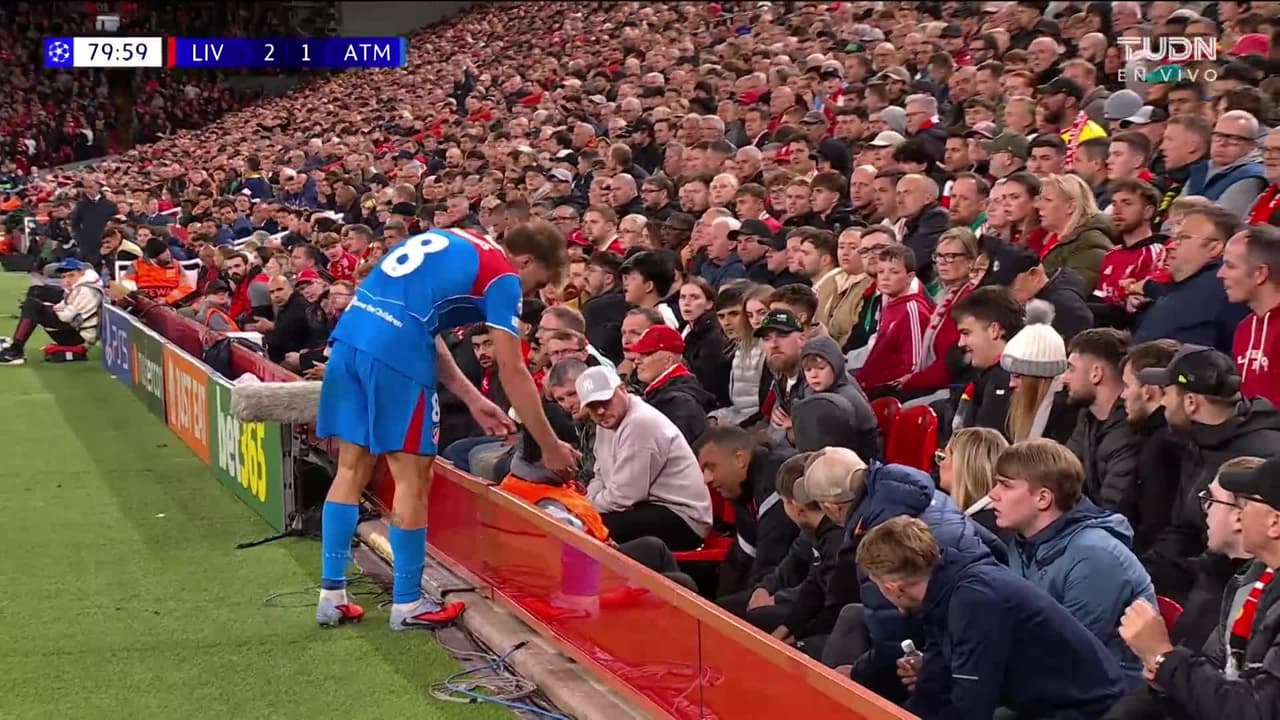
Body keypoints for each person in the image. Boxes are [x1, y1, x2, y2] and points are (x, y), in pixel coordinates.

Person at [314, 223, 578, 631]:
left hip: (350, 340)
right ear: (526, 261)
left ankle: (331, 596)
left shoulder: (460, 238)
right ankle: (408, 603)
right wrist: (550, 445)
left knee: (350, 469)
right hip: (397, 356)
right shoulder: (503, 276)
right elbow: (512, 369)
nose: (528, 295)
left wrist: (472, 398)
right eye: (537, 284)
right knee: (413, 478)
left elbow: (426, 326)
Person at [857, 516, 1127, 720]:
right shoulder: (944, 592)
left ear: (892, 587)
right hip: (1048, 703)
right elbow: (934, 687)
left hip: (1086, 709)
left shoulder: (973, 601)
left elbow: (970, 708)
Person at [1113, 456, 1280, 720]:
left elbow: (1257, 710)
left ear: (1274, 523)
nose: (1242, 513)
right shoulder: (1252, 581)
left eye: (1248, 504)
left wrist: (1163, 657)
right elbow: (1215, 673)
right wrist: (1167, 678)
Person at [990, 439, 1158, 686]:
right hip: (1052, 678)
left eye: (1005, 485)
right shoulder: (1023, 542)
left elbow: (1068, 654)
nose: (992, 494)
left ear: (1043, 498)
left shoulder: (1095, 557)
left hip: (1109, 689)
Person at [575, 366, 712, 550]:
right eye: (592, 406)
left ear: (622, 389)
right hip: (646, 506)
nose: (600, 411)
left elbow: (624, 496)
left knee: (592, 528)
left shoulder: (640, 423)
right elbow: (600, 475)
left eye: (606, 401)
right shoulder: (605, 424)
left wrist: (587, 508)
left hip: (683, 518)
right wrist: (587, 503)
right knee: (585, 523)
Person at [0, 259, 102, 366]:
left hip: (79, 337)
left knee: (33, 306)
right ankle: (15, 348)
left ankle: (15, 352)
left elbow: (66, 316)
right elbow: (65, 306)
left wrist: (51, 308)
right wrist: (55, 307)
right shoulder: (82, 285)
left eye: (71, 275)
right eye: (64, 276)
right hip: (77, 330)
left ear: (82, 273)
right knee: (34, 301)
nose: (67, 280)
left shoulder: (86, 291)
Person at [936, 427, 1009, 541]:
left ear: (962, 468)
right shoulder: (996, 519)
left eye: (943, 457)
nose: (940, 464)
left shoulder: (975, 532)